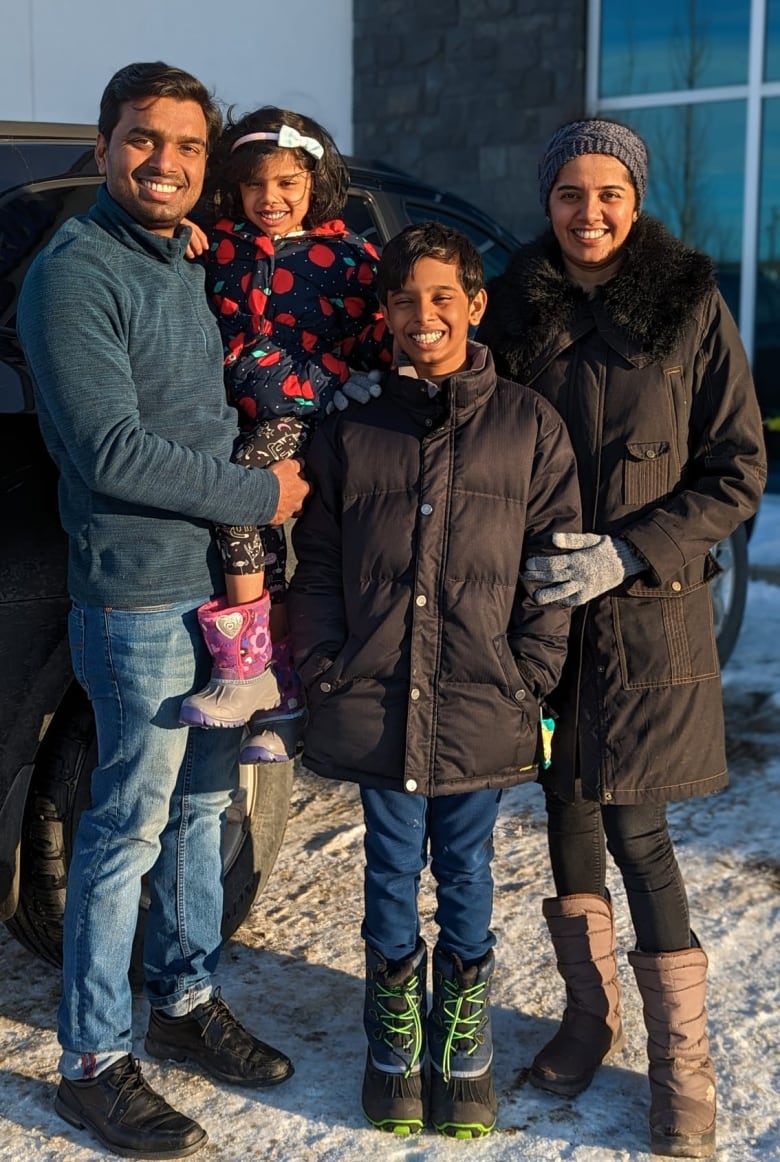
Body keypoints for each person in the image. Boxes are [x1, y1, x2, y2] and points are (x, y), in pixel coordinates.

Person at [17, 62, 309, 1161]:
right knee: (123, 827)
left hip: (217, 595)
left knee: (202, 808)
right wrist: (262, 495)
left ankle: (184, 1001)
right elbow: (109, 449)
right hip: (138, 596)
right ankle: (92, 1060)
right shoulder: (76, 273)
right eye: (145, 141)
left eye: (189, 148)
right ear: (103, 148)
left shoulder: (183, 258)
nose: (166, 164)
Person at [477, 118, 767, 1160]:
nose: (588, 213)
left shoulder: (689, 305)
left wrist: (629, 551)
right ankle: (587, 1016)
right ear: (545, 199)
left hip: (646, 619)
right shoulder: (510, 307)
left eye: (609, 193)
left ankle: (683, 1061)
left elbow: (736, 470)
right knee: (564, 805)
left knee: (637, 825)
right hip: (543, 619)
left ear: (635, 200)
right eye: (568, 194)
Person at [287, 221, 582, 1138]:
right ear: (385, 311)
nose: (425, 316)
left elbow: (551, 563)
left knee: (466, 868)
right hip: (375, 691)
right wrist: (326, 664)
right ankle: (393, 1036)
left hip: (480, 696)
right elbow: (321, 563)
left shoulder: (529, 424)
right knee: (386, 868)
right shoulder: (354, 428)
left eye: (443, 296)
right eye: (406, 299)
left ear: (475, 304)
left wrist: (528, 671)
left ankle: (464, 1038)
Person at [178, 106, 391, 765]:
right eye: (254, 185)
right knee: (258, 547)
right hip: (227, 417)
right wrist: (176, 234)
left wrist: (355, 380)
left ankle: (249, 673)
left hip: (306, 425)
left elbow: (386, 337)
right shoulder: (219, 247)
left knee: (245, 494)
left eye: (287, 184)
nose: (270, 199)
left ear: (315, 182)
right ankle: (280, 699)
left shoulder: (350, 258)